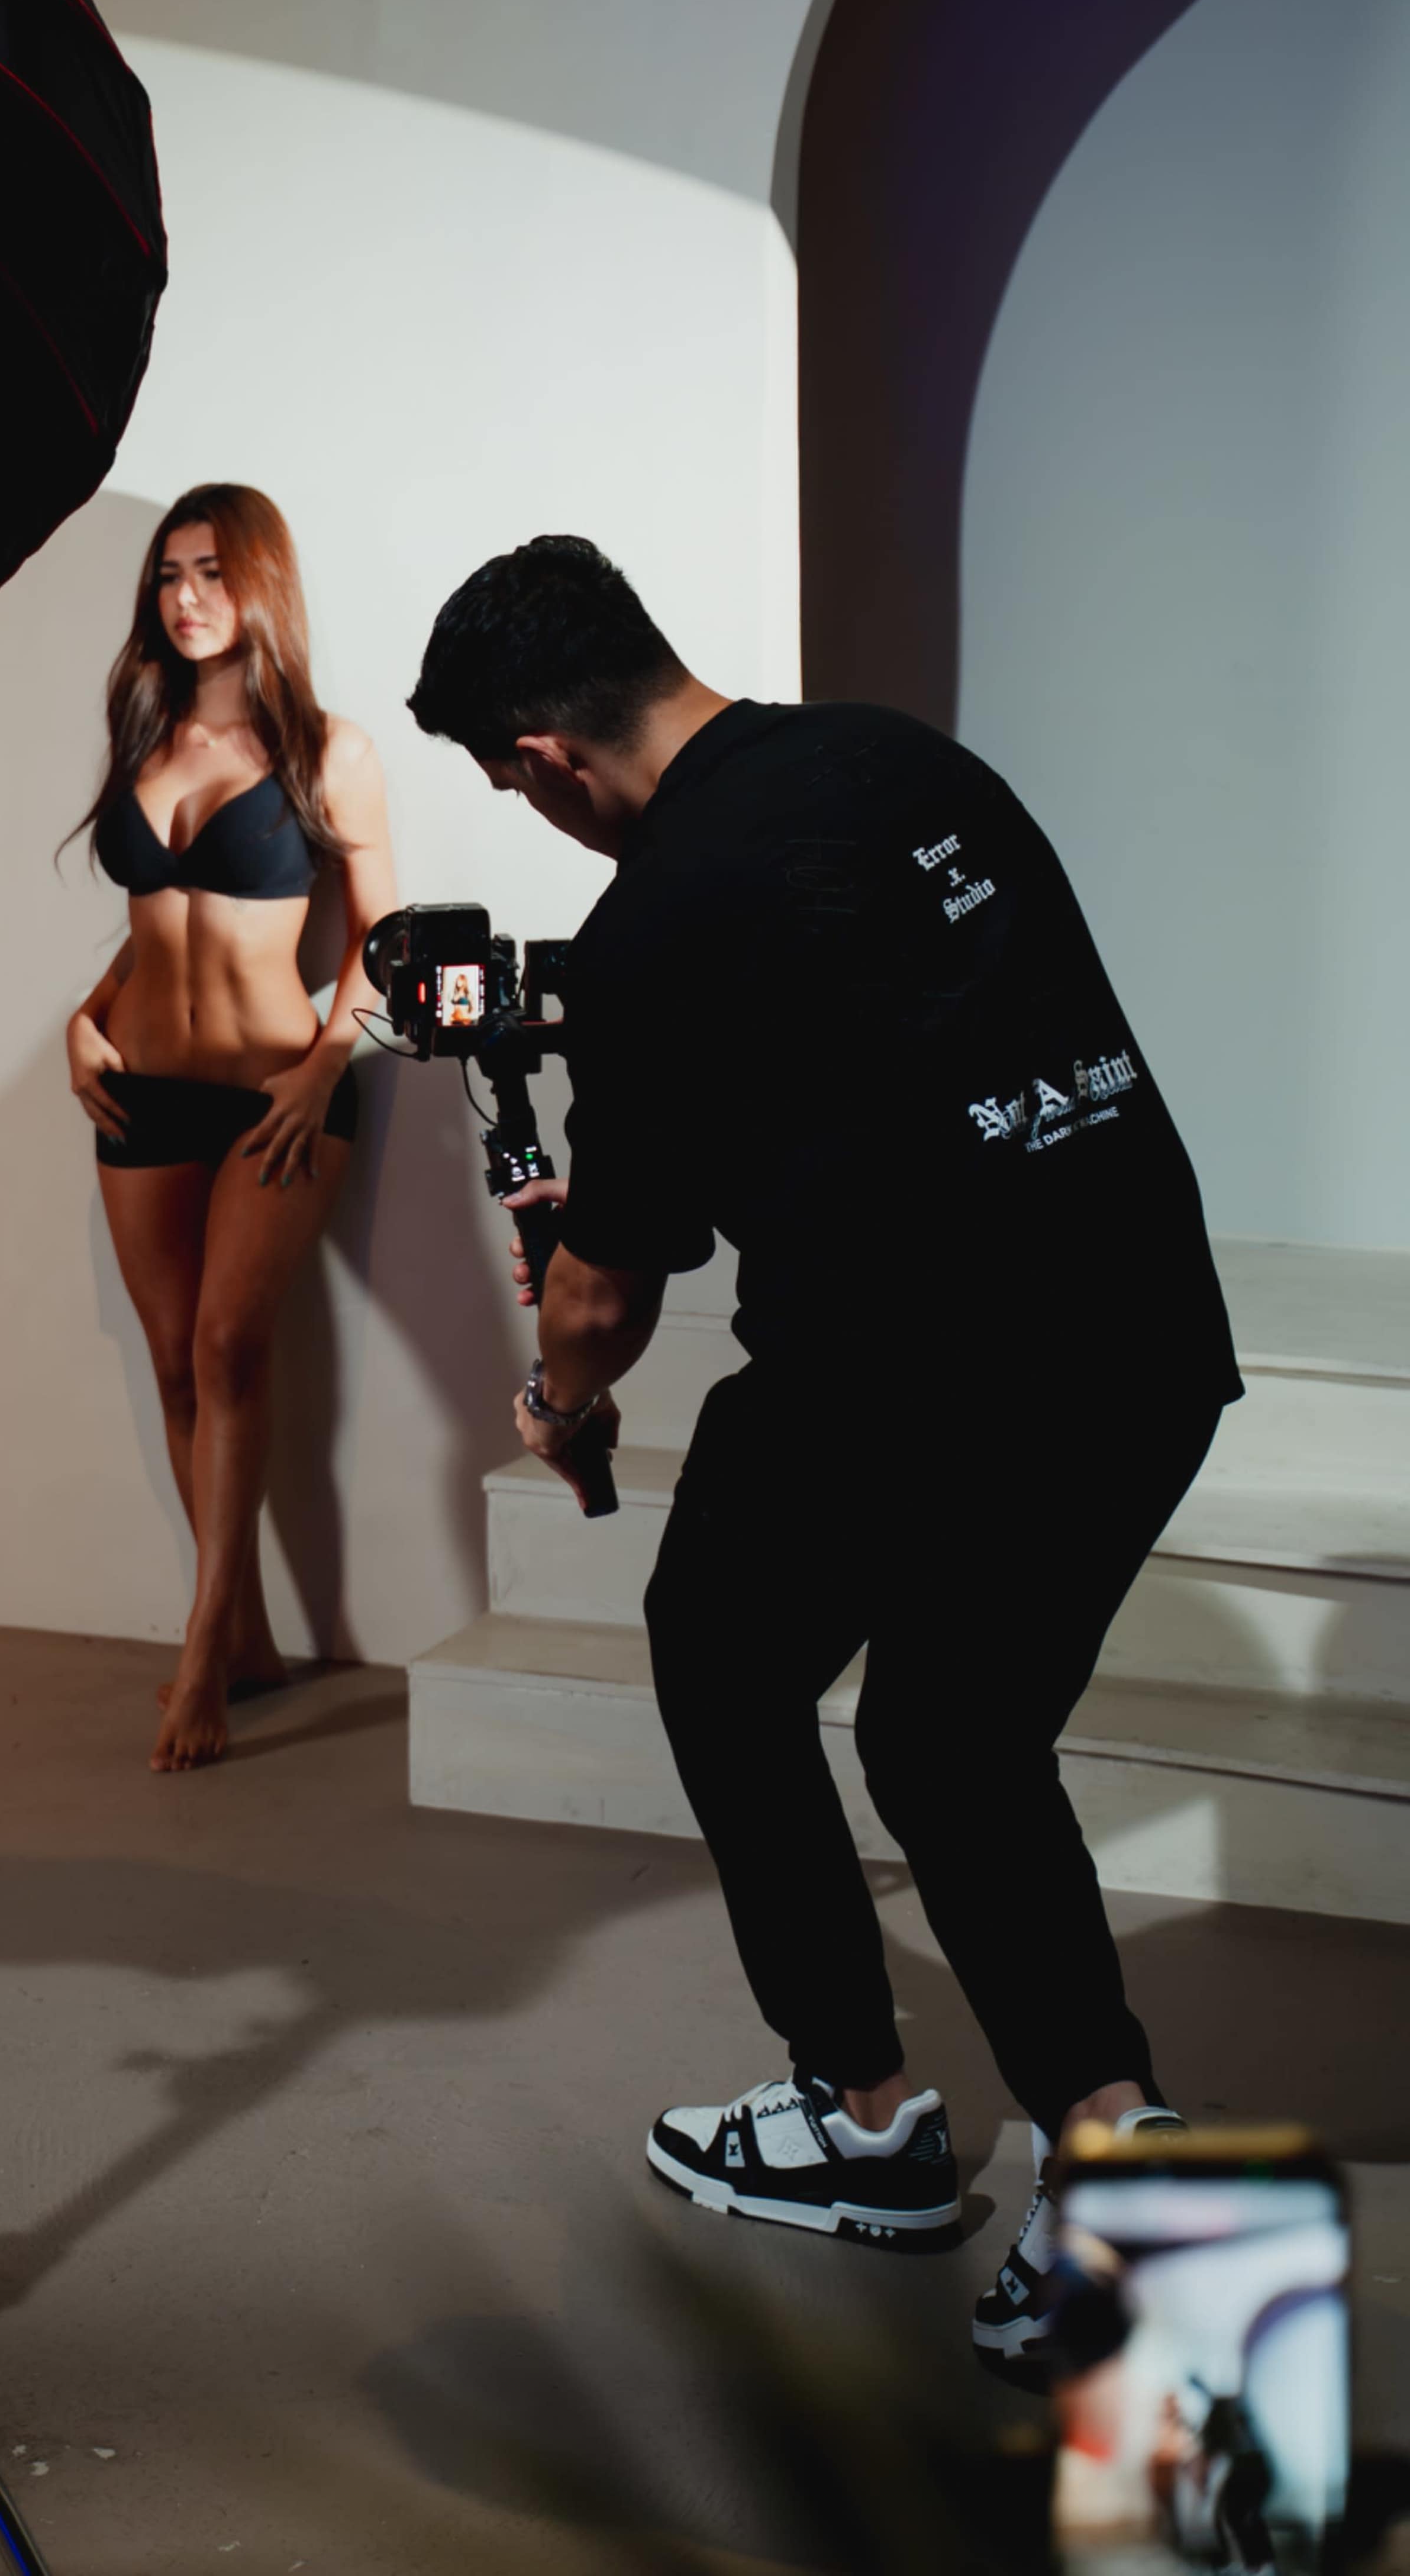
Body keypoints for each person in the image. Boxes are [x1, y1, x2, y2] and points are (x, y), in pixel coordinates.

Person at [406, 536, 1240, 2374]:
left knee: (748, 1656)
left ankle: (882, 2124)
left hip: (931, 1363)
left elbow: (606, 1300)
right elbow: (869, 1053)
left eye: (509, 791)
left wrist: (563, 1402)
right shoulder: (906, 763)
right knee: (953, 1734)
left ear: (543, 757)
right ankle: (1101, 2142)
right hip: (1148, 1336)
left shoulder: (656, 926)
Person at [67, 485, 396, 1774]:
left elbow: (384, 940)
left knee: (229, 1340)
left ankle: (203, 1649)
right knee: (170, 1360)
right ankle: (248, 1625)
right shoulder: (141, 733)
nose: (188, 596)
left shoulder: (329, 751)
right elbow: (151, 935)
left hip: (279, 1095)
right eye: (168, 575)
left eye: (212, 570)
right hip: (136, 1084)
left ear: (263, 582)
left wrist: (328, 1061)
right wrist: (82, 1021)